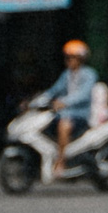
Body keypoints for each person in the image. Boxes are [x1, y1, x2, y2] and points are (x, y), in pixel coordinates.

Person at [37, 38, 100, 176]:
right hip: (63, 113)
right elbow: (54, 90)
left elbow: (83, 95)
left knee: (64, 125)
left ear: (80, 59)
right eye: (67, 57)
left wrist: (64, 102)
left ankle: (61, 161)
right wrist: (39, 99)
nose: (68, 60)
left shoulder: (89, 74)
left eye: (72, 57)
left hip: (80, 114)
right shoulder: (66, 74)